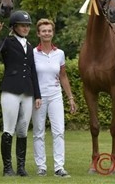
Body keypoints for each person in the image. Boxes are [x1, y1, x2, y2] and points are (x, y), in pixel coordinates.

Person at [0, 10, 41, 177]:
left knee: (23, 130)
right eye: (22, 25)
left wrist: (38, 95)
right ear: (14, 27)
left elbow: (33, 71)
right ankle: (7, 168)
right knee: (9, 129)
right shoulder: (7, 41)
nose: (26, 28)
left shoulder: (30, 46)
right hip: (10, 90)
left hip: (27, 92)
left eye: (27, 26)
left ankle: (21, 167)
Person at [32, 18, 77, 178]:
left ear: (53, 33)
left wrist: (70, 98)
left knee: (59, 131)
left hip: (55, 96)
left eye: (49, 30)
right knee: (38, 132)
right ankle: (41, 167)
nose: (47, 33)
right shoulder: (33, 53)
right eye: (43, 30)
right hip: (38, 98)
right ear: (38, 33)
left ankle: (59, 167)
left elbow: (63, 76)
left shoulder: (60, 53)